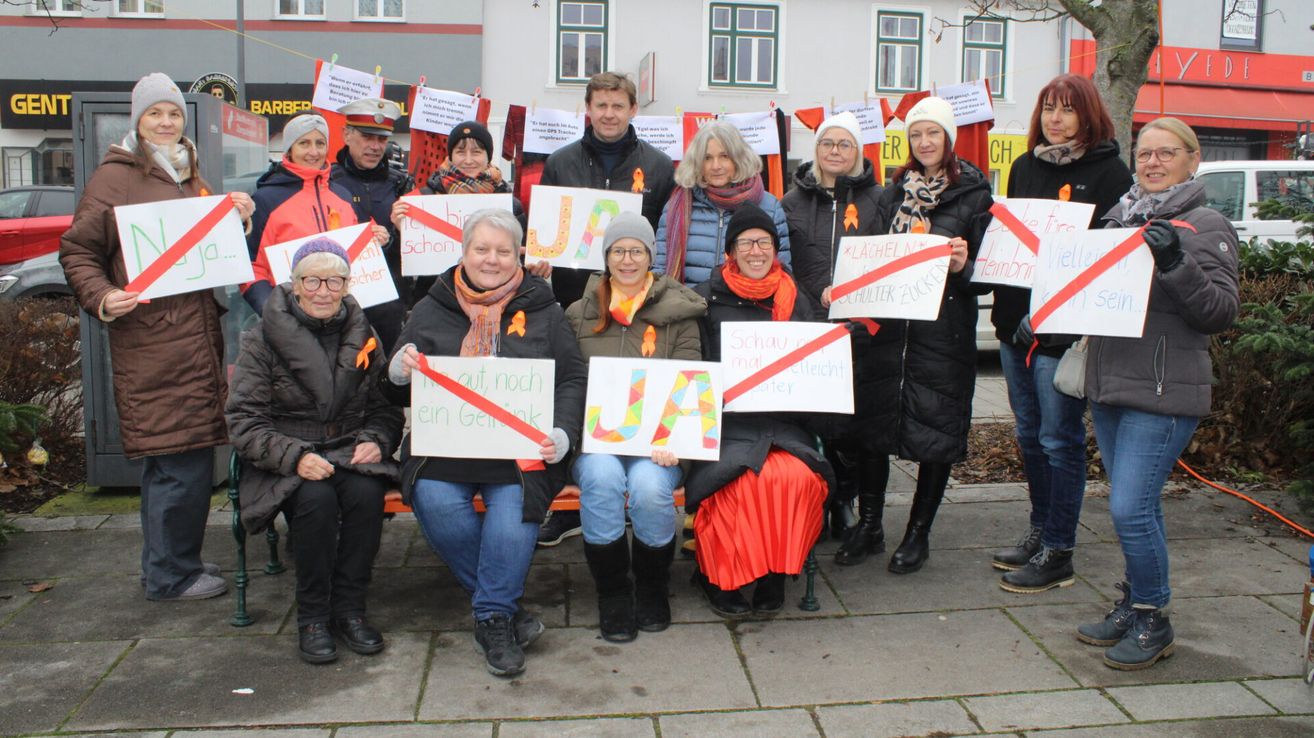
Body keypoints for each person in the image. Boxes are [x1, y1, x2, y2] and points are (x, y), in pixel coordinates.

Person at [59, 72, 255, 601]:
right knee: (178, 464)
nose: (166, 122)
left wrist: (236, 219)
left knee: (177, 461)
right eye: (155, 114)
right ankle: (171, 576)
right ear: (138, 120)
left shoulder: (187, 173)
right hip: (152, 341)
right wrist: (101, 296)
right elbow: (78, 251)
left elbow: (208, 250)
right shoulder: (116, 178)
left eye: (173, 113)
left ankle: (171, 563)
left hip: (193, 336)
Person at [382, 208, 588, 677]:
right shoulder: (431, 307)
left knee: (515, 508)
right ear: (464, 251)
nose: (491, 260)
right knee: (435, 500)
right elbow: (389, 387)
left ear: (518, 254)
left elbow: (572, 378)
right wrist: (397, 370)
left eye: (501, 250)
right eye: (481, 249)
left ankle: (492, 618)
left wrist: (563, 432)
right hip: (443, 448)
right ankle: (502, 611)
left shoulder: (544, 308)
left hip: (518, 451)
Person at [1078, 118, 1238, 670]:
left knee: (1129, 507)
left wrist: (1175, 262)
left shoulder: (1204, 224)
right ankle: (1134, 600)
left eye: (1165, 153)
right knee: (1137, 507)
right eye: (1144, 154)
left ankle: (1153, 616)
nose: (1151, 163)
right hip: (1111, 383)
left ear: (1192, 160)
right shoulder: (1119, 217)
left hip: (1164, 390)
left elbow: (1219, 312)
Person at [226, 238, 403, 664]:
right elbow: (244, 421)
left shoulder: (365, 333)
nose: (323, 290)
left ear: (347, 285)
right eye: (312, 280)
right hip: (286, 452)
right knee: (316, 502)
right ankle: (312, 616)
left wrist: (374, 440)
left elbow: (384, 408)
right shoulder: (260, 339)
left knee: (365, 497)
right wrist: (293, 457)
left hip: (347, 448)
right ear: (295, 284)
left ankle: (349, 609)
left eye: (334, 280)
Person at [991, 74, 1134, 593]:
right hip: (1014, 326)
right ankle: (1040, 530)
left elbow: (1107, 258)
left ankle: (1060, 549)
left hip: (1063, 332)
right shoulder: (1023, 167)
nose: (1055, 119)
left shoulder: (1112, 173)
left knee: (1060, 440)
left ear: (1087, 115)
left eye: (1067, 110)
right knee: (1029, 436)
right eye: (1048, 108)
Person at [534, 71, 675, 547]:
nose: (609, 114)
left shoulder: (658, 166)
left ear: (634, 110)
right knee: (581, 393)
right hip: (576, 303)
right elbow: (548, 232)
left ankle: (631, 492)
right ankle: (579, 500)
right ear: (588, 110)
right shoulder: (560, 162)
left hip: (639, 305)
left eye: (618, 105)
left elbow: (663, 235)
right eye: (601, 106)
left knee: (633, 392)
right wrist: (540, 257)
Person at [686, 203, 835, 617]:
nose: (756, 251)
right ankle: (718, 575)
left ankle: (772, 570)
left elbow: (817, 371)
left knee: (797, 478)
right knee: (741, 481)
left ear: (776, 248)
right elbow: (691, 368)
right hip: (726, 425)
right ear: (731, 250)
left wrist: (842, 348)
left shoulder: (797, 299)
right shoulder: (703, 300)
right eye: (747, 242)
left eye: (764, 242)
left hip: (785, 425)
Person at [565, 212, 706, 642]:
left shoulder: (679, 312)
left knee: (649, 488)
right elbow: (568, 383)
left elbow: (688, 380)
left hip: (658, 445)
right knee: (603, 480)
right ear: (606, 257)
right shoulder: (578, 313)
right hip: (597, 441)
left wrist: (675, 440)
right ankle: (612, 591)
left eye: (637, 250)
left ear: (651, 256)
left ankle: (651, 585)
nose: (628, 260)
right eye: (619, 250)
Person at [867, 96, 993, 575]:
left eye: (932, 133)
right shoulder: (891, 193)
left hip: (943, 330)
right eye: (916, 134)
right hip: (891, 330)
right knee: (877, 428)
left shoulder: (975, 195)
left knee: (935, 430)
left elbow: (988, 272)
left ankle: (918, 533)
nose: (923, 142)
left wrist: (964, 268)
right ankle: (871, 523)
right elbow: (874, 253)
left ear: (949, 138)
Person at [780, 111, 887, 560]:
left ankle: (849, 502)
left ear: (858, 151)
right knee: (818, 422)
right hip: (809, 326)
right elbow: (785, 262)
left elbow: (888, 257)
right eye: (828, 144)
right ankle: (824, 499)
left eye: (845, 144)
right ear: (817, 150)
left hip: (864, 330)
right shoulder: (791, 202)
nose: (836, 152)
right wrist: (811, 296)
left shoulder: (880, 199)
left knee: (858, 428)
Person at [243, 113, 386, 317]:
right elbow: (251, 266)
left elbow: (356, 257)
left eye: (320, 143)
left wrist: (376, 241)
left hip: (341, 317)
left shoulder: (343, 196)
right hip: (290, 318)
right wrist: (272, 310)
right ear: (290, 149)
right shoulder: (266, 199)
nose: (314, 152)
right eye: (304, 143)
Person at [391, 120, 526, 302]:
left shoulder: (510, 205)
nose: (468, 160)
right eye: (460, 151)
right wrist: (401, 230)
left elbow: (522, 259)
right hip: (437, 297)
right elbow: (403, 263)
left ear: (488, 157)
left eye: (476, 152)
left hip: (498, 299)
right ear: (451, 155)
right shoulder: (424, 198)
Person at [655, 120, 791, 287]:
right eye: (707, 158)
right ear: (697, 162)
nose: (716, 166)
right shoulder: (676, 206)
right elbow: (660, 271)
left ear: (738, 158)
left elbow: (781, 271)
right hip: (687, 309)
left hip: (747, 310)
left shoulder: (769, 207)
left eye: (724, 156)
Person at [332, 97, 410, 353]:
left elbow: (417, 252)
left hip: (389, 306)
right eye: (367, 137)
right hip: (338, 302)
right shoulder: (329, 182)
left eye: (382, 139)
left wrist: (395, 237)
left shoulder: (400, 184)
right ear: (346, 135)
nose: (375, 146)